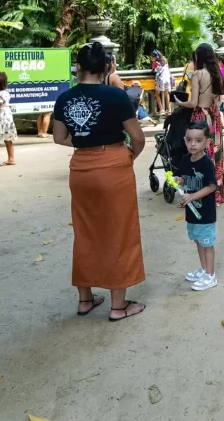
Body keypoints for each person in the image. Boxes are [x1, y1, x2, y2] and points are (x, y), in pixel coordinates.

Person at [53, 42, 147, 321]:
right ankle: (118, 306)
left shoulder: (65, 98)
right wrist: (128, 154)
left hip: (81, 167)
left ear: (78, 67)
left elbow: (59, 137)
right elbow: (138, 137)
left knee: (85, 231)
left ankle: (85, 299)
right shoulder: (116, 96)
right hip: (113, 165)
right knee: (119, 232)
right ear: (107, 68)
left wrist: (85, 143)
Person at [172, 43, 224, 205]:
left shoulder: (198, 74)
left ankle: (199, 194)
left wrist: (179, 102)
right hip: (214, 115)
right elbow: (217, 99)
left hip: (201, 116)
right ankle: (217, 194)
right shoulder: (217, 73)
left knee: (199, 153)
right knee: (215, 153)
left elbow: (193, 102)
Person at [176, 120, 219, 291]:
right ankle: (203, 270)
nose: (193, 144)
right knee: (198, 241)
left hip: (205, 213)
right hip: (192, 212)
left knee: (207, 244)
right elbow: (185, 177)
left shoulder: (206, 163)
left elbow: (212, 186)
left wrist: (193, 196)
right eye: (189, 139)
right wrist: (180, 180)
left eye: (198, 140)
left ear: (207, 142)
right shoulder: (186, 159)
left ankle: (210, 275)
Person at [153, 51, 172, 115]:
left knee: (157, 94)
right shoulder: (165, 60)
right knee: (166, 95)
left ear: (155, 56)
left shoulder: (155, 63)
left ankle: (161, 109)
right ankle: (169, 109)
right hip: (167, 79)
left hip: (160, 80)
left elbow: (154, 70)